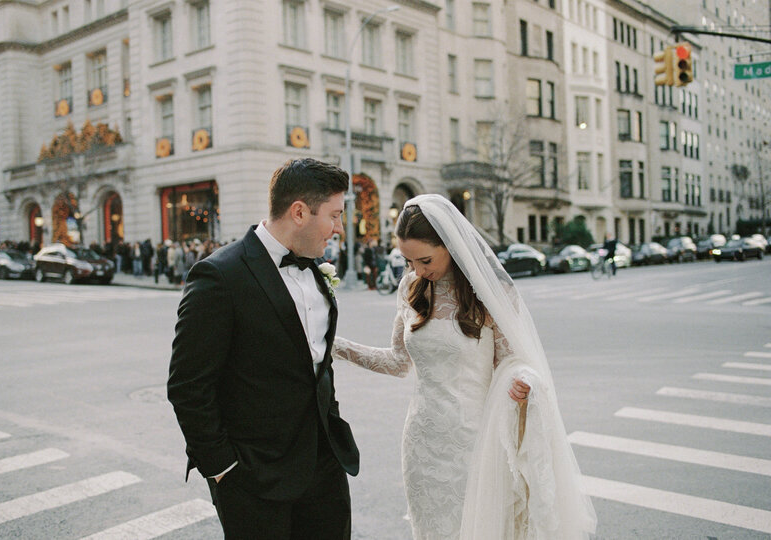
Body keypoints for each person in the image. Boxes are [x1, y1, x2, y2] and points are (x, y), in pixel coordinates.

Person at [332, 195, 596, 539]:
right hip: (422, 442)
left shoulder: (490, 292)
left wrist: (524, 380)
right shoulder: (411, 287)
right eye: (409, 261)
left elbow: (513, 360)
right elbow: (398, 363)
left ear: (450, 245)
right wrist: (335, 346)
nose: (417, 271)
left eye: (425, 260)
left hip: (475, 442)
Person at [168, 158, 359, 540]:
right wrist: (223, 470)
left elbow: (317, 364)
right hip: (254, 480)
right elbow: (188, 386)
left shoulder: (315, 269)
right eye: (335, 215)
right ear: (300, 212)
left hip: (325, 468)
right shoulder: (219, 276)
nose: (340, 228)